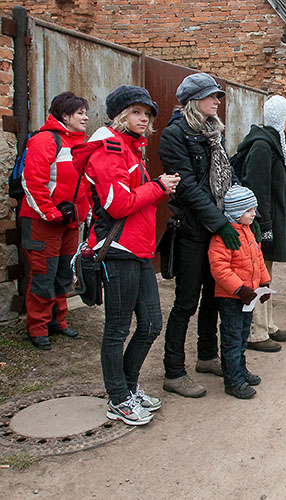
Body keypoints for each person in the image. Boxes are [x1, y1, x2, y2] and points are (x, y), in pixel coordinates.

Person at [75, 85, 179, 425]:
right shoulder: (108, 149)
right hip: (116, 250)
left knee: (150, 324)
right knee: (117, 330)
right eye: (136, 112)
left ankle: (128, 388)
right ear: (121, 115)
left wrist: (154, 187)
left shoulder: (133, 148)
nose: (143, 118)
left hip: (138, 250)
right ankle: (118, 398)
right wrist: (158, 187)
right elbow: (118, 204)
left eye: (146, 113)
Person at [159, 73, 234, 398]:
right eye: (210, 97)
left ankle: (207, 356)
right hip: (192, 230)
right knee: (186, 302)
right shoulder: (175, 135)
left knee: (214, 297)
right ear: (193, 101)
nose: (216, 102)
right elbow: (187, 187)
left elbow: (225, 176)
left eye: (217, 97)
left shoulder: (212, 133)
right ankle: (174, 372)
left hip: (215, 226)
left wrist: (242, 212)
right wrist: (219, 223)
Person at [19, 92, 89, 350]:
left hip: (69, 223)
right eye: (80, 113)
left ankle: (58, 321)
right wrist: (52, 213)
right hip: (42, 222)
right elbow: (32, 182)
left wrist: (82, 214)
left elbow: (83, 185)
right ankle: (37, 327)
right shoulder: (45, 140)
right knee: (43, 276)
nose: (85, 117)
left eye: (85, 112)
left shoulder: (79, 143)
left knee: (63, 274)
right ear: (65, 115)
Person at [232, 95, 286, 352]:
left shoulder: (277, 144)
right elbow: (256, 189)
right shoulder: (262, 146)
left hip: (273, 221)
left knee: (266, 275)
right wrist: (264, 225)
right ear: (280, 120)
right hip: (262, 224)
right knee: (256, 276)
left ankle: (267, 324)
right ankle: (256, 332)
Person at [208, 185, 270, 399]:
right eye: (249, 210)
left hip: (248, 297)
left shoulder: (250, 232)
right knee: (232, 338)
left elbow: (258, 259)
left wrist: (265, 282)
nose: (254, 214)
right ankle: (233, 380)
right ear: (236, 212)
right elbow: (220, 269)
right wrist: (240, 289)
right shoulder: (224, 237)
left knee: (243, 335)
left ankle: (240, 370)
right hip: (232, 297)